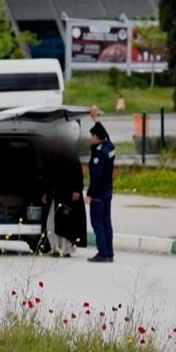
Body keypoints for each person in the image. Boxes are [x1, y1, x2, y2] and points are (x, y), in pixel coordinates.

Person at [41, 126, 87, 257]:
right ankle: (55, 247)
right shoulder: (52, 156)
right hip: (54, 194)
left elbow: (78, 174)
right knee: (51, 221)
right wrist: (45, 192)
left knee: (65, 222)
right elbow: (47, 175)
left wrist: (77, 190)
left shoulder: (70, 155)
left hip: (66, 195)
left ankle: (65, 248)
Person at [86, 105, 116, 263]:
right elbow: (106, 135)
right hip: (108, 191)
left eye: (92, 136)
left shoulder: (98, 153)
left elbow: (96, 176)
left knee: (97, 222)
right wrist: (95, 118)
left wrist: (90, 194)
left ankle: (103, 252)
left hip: (98, 193)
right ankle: (109, 252)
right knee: (106, 222)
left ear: (97, 137)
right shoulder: (109, 147)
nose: (91, 139)